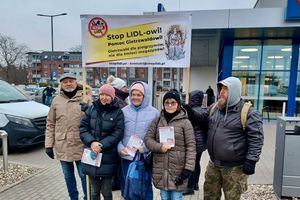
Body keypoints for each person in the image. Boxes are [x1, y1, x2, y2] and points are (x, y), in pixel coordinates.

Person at [187, 77, 264, 200]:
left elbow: (256, 139)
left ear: (234, 91)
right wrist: (191, 112)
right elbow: (203, 118)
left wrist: (251, 161)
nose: (221, 92)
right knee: (209, 197)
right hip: (213, 164)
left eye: (225, 89)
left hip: (235, 168)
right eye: (221, 88)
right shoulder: (215, 107)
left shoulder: (248, 113)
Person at [144, 90, 196, 200]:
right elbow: (148, 139)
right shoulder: (157, 120)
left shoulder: (185, 123)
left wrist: (188, 168)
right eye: (167, 102)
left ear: (178, 104)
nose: (170, 105)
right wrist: (160, 147)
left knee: (176, 197)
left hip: (178, 170)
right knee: (164, 196)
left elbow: (191, 147)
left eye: (173, 102)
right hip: (161, 169)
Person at [45, 73, 89, 200]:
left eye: (71, 81)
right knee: (68, 175)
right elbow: (50, 123)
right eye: (65, 82)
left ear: (76, 82)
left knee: (84, 175)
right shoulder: (56, 100)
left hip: (81, 145)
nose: (68, 84)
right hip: (62, 145)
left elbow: (95, 120)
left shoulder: (85, 98)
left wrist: (90, 109)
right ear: (61, 84)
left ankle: (88, 197)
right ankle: (73, 198)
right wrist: (48, 145)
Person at [80, 84, 124, 200]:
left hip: (107, 157)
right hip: (91, 155)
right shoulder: (92, 109)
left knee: (106, 191)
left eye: (107, 95)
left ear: (113, 97)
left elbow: (117, 133)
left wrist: (101, 145)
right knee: (94, 192)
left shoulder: (118, 112)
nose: (104, 97)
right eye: (102, 94)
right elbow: (83, 128)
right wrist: (92, 142)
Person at [118, 81, 159, 199]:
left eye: (139, 95)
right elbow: (117, 134)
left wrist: (145, 148)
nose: (135, 97)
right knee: (129, 187)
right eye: (133, 94)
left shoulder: (154, 113)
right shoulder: (123, 112)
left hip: (145, 158)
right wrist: (120, 149)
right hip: (127, 157)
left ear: (145, 96)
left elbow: (157, 137)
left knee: (145, 187)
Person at [106, 75, 129, 191]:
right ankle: (118, 185)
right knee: (118, 165)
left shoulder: (121, 99)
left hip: (115, 138)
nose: (127, 89)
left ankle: (116, 184)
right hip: (117, 138)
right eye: (125, 87)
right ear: (119, 88)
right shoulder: (119, 101)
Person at [183, 90, 208, 195]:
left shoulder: (192, 110)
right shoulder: (204, 110)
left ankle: (189, 187)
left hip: (193, 141)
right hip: (201, 141)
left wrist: (189, 111)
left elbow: (197, 118)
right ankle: (195, 184)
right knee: (196, 163)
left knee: (191, 163)